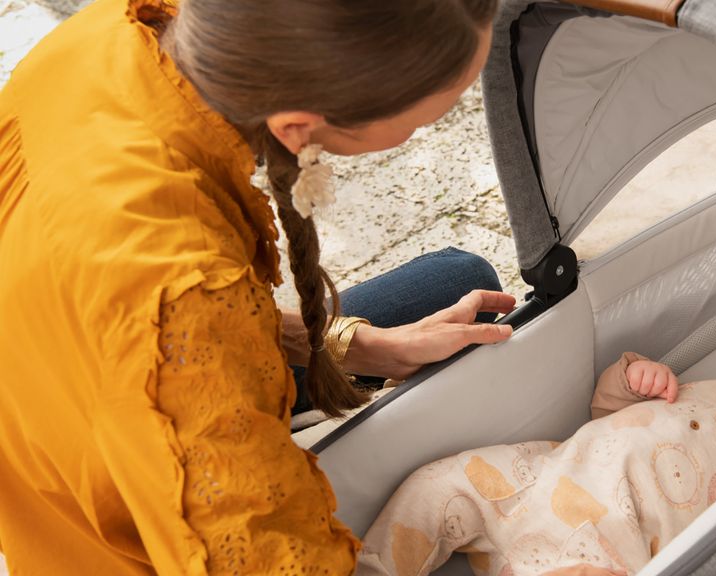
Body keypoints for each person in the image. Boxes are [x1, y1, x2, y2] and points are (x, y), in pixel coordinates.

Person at [0, 0, 514, 573]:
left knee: (458, 281)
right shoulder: (181, 285)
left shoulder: (129, 27)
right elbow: (255, 553)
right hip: (97, 517)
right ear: (296, 127)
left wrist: (353, 344)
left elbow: (148, 319)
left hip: (63, 365)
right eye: (421, 121)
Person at [358, 305, 716, 575]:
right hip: (534, 479)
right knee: (437, 485)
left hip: (609, 546)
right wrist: (634, 378)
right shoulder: (697, 388)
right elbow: (604, 413)